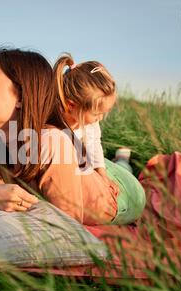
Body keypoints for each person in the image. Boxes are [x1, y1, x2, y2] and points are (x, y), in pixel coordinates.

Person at [0, 48, 140, 225]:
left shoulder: (53, 143)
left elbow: (65, 229)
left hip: (119, 195)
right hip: (78, 166)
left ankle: (123, 160)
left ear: (22, 96)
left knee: (119, 168)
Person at [52, 53, 145, 224]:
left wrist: (102, 175)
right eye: (98, 113)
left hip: (93, 163)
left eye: (104, 113)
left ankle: (123, 159)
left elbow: (94, 144)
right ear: (72, 105)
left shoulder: (88, 122)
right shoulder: (54, 125)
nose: (101, 119)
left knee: (121, 173)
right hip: (78, 169)